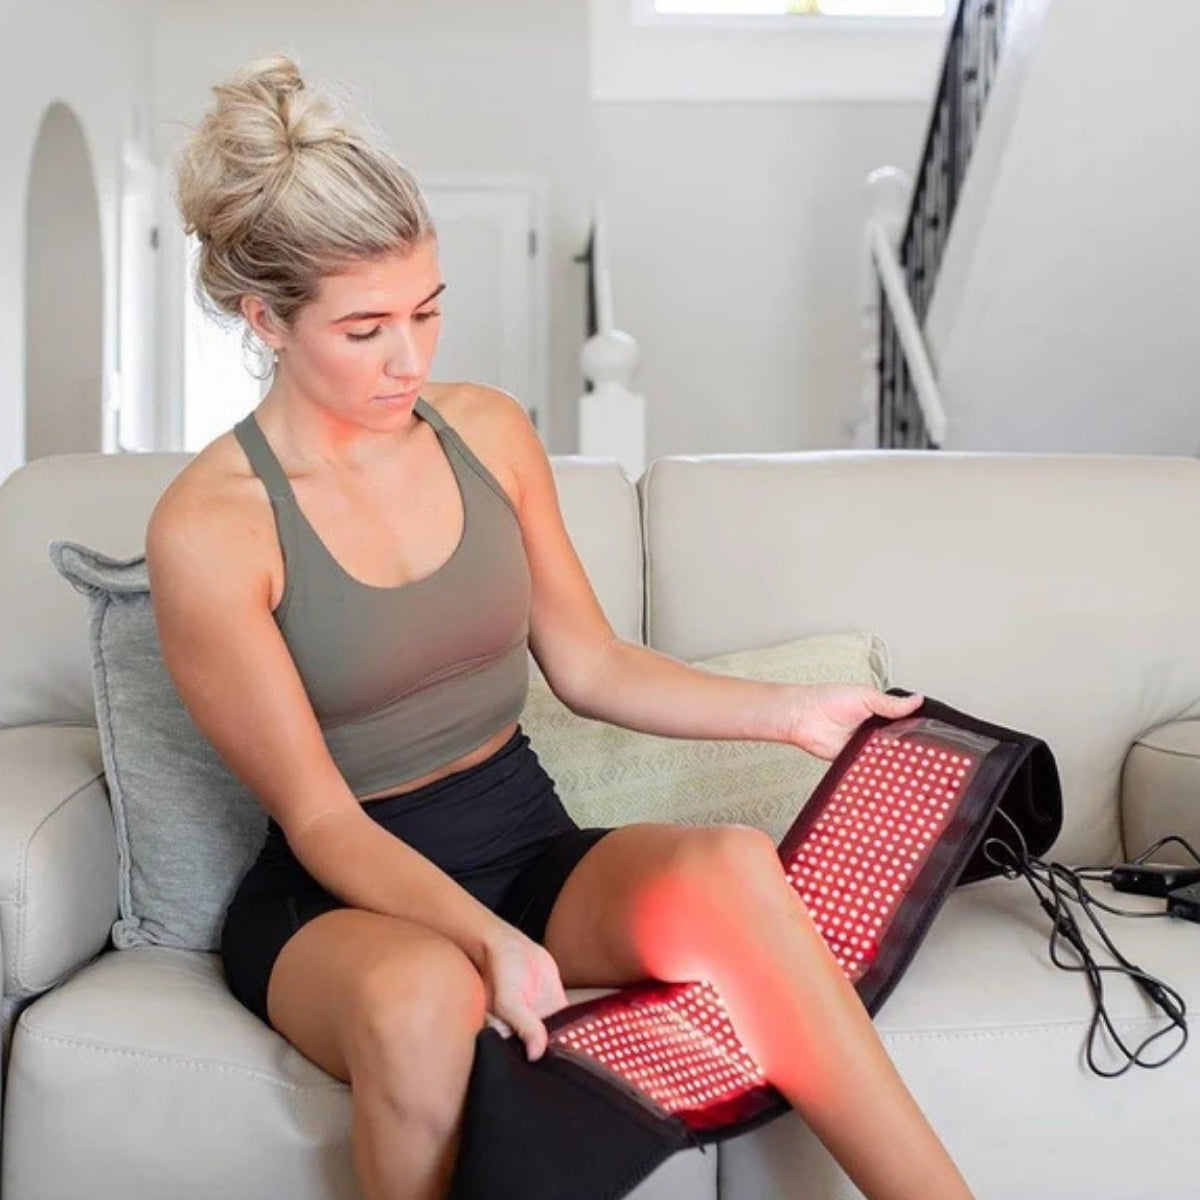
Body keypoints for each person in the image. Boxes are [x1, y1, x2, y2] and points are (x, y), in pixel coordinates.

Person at [147, 54, 977, 1200]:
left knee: (736, 872)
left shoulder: (486, 433)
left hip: (527, 842)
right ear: (267, 320)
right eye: (366, 328)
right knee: (425, 1002)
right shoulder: (209, 528)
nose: (410, 359)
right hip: (342, 896)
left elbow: (591, 663)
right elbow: (323, 817)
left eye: (429, 311)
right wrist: (482, 944)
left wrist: (793, 715)